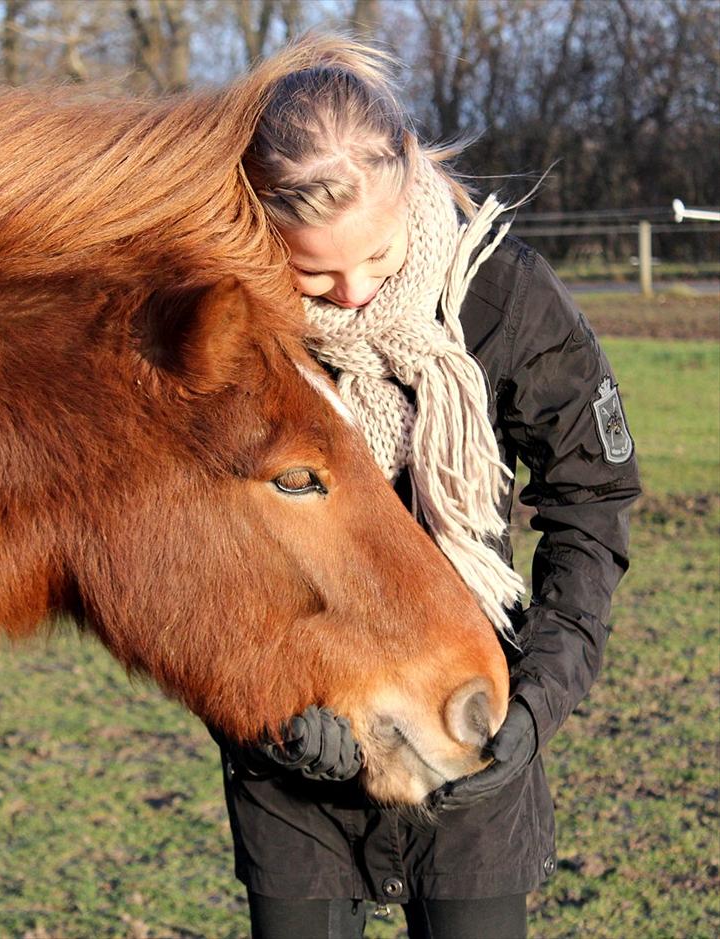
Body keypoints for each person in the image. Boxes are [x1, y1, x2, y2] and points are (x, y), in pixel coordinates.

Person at [215, 38, 642, 939]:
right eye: (315, 274)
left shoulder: (501, 298)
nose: (355, 293)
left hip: (469, 721)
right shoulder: (233, 333)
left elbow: (593, 498)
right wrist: (270, 711)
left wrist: (538, 699)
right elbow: (193, 546)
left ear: (408, 177)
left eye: (375, 256)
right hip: (301, 757)